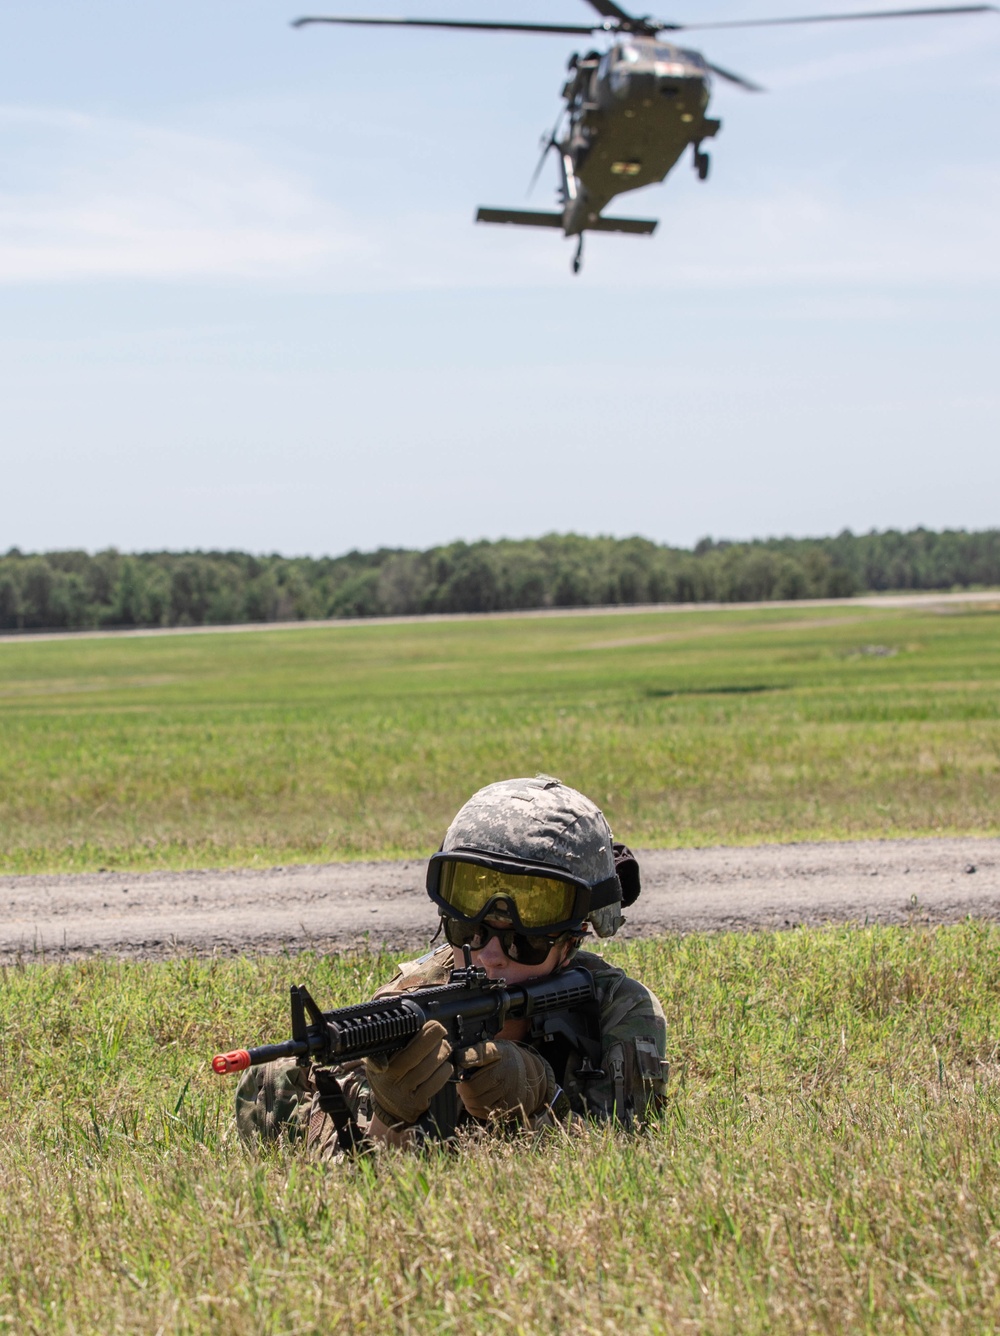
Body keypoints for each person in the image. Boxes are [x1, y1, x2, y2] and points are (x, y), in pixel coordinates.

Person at [236, 775, 668, 1156]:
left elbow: (619, 1155)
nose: (490, 955)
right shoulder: (409, 1003)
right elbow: (358, 1183)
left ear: (572, 943)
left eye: (527, 940)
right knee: (275, 1078)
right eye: (469, 930)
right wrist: (391, 1119)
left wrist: (539, 1100)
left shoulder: (616, 1009)